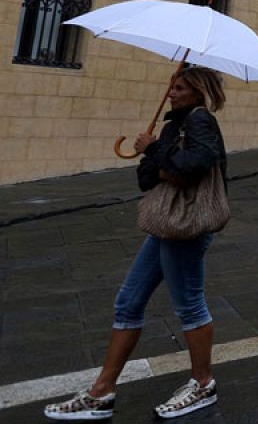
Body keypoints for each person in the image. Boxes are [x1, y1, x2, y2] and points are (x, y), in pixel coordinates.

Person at [44, 67, 229, 421]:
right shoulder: (174, 124)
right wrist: (156, 155)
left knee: (189, 304)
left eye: (179, 88)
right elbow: (147, 176)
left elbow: (195, 166)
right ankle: (101, 393)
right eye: (171, 87)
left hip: (186, 225)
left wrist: (156, 150)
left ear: (198, 91)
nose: (171, 93)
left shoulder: (200, 121)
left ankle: (203, 383)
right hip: (166, 220)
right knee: (127, 302)